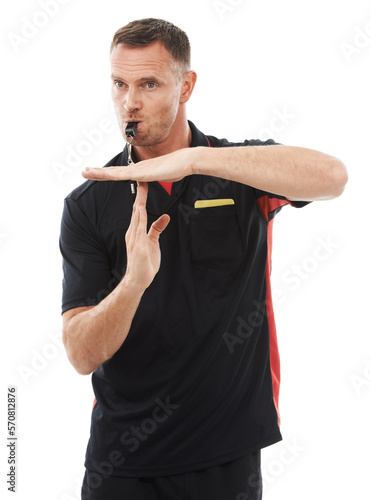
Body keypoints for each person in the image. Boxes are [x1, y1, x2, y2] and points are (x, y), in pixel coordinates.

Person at [59, 18, 348, 500]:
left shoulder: (238, 171)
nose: (129, 101)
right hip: (123, 464)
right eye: (119, 84)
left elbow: (333, 177)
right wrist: (132, 284)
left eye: (149, 84)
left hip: (227, 457)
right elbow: (80, 354)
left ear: (186, 85)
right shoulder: (89, 203)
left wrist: (193, 160)